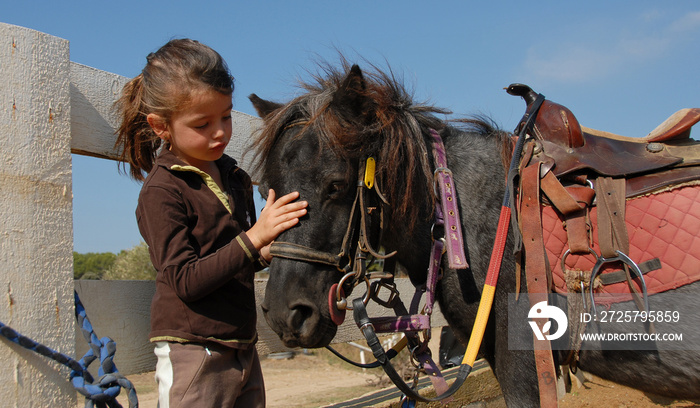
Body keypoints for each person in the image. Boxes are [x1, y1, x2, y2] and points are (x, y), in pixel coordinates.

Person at [114, 38, 307, 408]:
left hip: (241, 343)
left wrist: (264, 250)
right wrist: (253, 240)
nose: (220, 131)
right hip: (194, 348)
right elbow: (184, 279)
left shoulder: (233, 175)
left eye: (227, 116)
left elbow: (235, 255)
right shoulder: (163, 189)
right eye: (202, 123)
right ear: (161, 126)